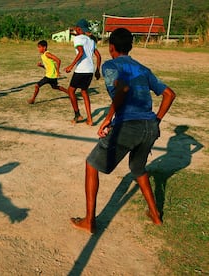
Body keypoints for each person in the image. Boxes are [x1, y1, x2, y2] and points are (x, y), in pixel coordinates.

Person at [70, 28, 176, 234]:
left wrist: (108, 119)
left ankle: (89, 221)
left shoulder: (111, 65)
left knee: (91, 164)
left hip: (129, 125)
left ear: (111, 47)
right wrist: (155, 121)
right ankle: (155, 216)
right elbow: (169, 95)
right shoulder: (143, 68)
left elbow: (123, 89)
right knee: (138, 169)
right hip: (149, 127)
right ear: (131, 47)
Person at [65, 19, 101, 126]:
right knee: (84, 92)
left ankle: (77, 115)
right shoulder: (91, 41)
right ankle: (89, 119)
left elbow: (80, 52)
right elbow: (98, 56)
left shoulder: (78, 38)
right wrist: (97, 70)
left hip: (81, 70)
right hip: (90, 70)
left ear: (78, 29)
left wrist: (71, 66)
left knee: (71, 91)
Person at [27, 40, 68, 104]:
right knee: (55, 87)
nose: (38, 49)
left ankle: (32, 100)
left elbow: (58, 60)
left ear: (44, 47)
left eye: (39, 47)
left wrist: (57, 71)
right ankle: (70, 93)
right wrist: (41, 66)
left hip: (50, 76)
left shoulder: (47, 54)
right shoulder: (43, 55)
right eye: (38, 47)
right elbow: (48, 67)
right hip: (51, 75)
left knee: (37, 86)